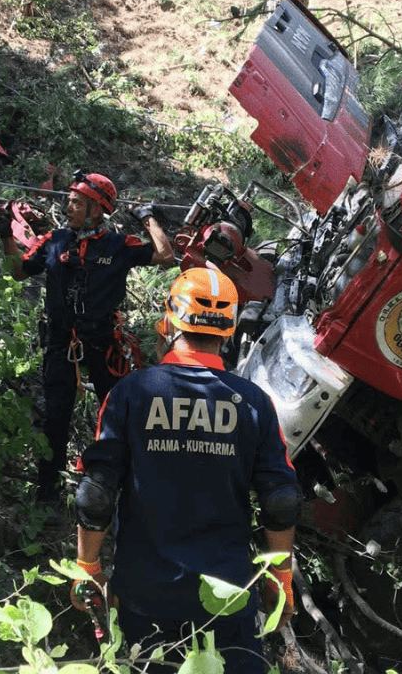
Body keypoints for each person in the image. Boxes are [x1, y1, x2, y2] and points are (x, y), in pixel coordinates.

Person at [72, 267, 300, 673]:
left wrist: (88, 567)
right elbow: (280, 500)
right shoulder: (253, 403)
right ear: (229, 329)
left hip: (145, 592)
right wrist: (279, 575)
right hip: (227, 592)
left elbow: (97, 491)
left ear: (169, 321)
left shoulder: (131, 393)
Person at [0, 171, 174, 507]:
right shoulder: (54, 241)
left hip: (102, 341)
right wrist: (5, 237)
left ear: (97, 209)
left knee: (116, 413)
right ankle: (48, 493)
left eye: (76, 202)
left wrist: (147, 218)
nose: (68, 206)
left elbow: (164, 255)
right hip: (60, 342)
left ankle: (121, 482)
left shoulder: (119, 245)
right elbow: (18, 271)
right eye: (69, 200)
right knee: (56, 417)